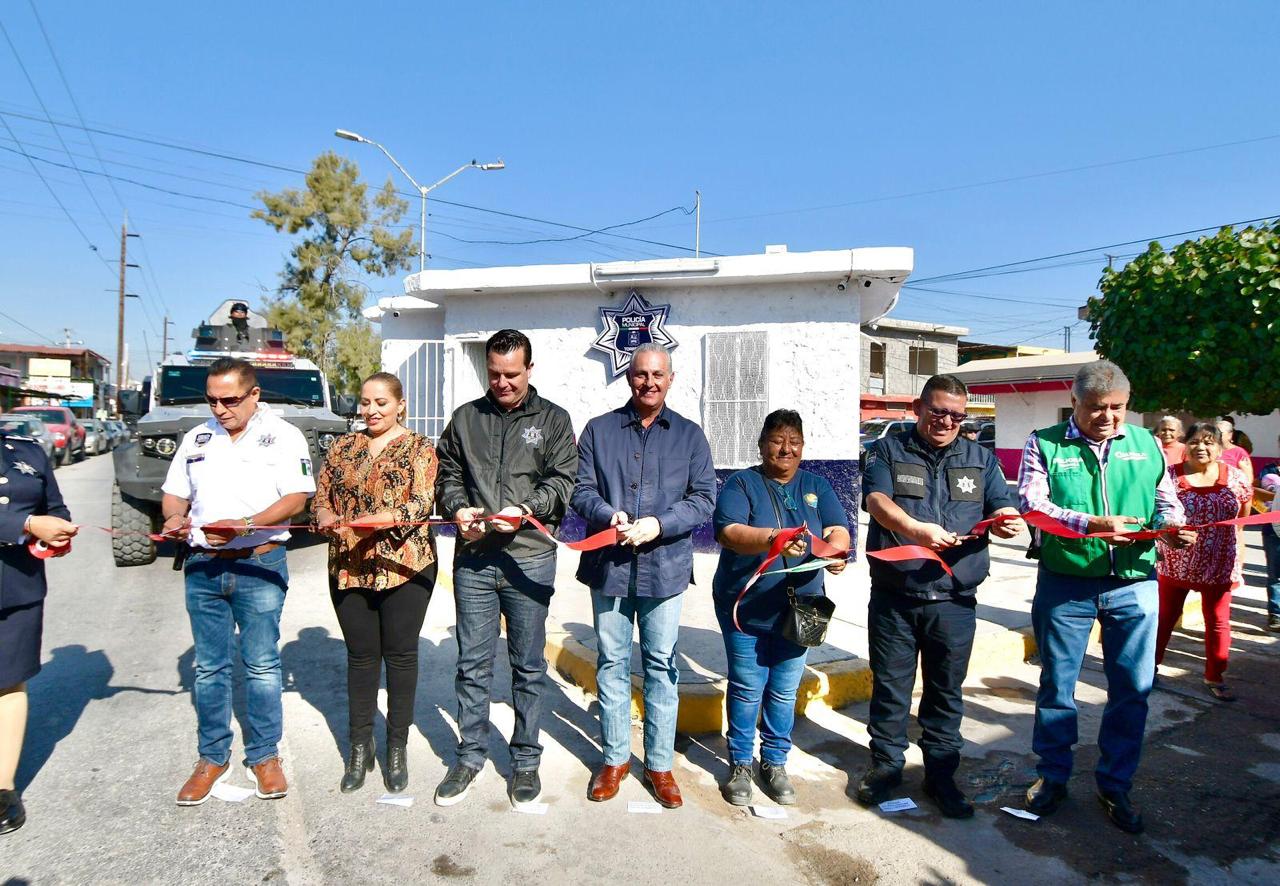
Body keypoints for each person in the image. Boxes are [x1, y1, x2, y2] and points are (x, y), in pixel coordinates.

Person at [1018, 360, 1194, 834]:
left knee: (1131, 692)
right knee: (1058, 687)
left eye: (1117, 408)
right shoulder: (1045, 443)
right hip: (1066, 581)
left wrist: (1172, 527)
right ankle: (1052, 777)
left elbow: (1165, 496)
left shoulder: (1147, 443)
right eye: (1096, 408)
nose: (1108, 418)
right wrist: (1091, 525)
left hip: (1134, 583)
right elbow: (1033, 506)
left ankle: (1115, 783)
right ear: (1074, 402)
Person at [857, 375, 1024, 818]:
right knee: (891, 688)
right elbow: (876, 500)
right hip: (896, 595)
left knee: (946, 692)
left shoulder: (980, 458)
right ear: (917, 407)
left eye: (956, 414)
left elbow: (999, 503)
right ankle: (887, 768)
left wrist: (1006, 517)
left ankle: (942, 775)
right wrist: (917, 530)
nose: (947, 421)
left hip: (954, 599)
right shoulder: (885, 451)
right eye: (938, 411)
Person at [161, 357, 315, 805]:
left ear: (254, 395)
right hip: (203, 566)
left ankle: (264, 756)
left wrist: (245, 525)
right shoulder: (197, 435)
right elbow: (175, 491)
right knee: (209, 669)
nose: (220, 408)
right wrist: (174, 516)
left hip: (258, 565)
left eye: (229, 400)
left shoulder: (284, 436)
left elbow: (298, 498)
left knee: (262, 665)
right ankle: (212, 757)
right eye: (212, 400)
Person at [433, 329, 577, 807]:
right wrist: (457, 507)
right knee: (472, 664)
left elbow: (563, 480)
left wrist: (526, 507)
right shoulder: (465, 418)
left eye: (512, 374)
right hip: (474, 560)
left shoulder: (554, 420)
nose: (502, 383)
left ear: (529, 370)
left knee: (528, 665)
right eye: (494, 374)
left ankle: (526, 762)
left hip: (529, 558)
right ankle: (470, 756)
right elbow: (447, 471)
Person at [571, 344, 716, 808]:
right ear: (628, 377)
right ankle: (615, 759)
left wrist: (661, 523)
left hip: (666, 571)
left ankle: (659, 764)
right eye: (639, 374)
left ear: (671, 379)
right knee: (611, 663)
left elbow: (705, 498)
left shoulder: (691, 437)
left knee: (661, 665)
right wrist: (606, 514)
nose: (648, 382)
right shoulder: (599, 430)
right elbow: (581, 489)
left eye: (657, 374)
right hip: (608, 567)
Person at [712, 410, 850, 807]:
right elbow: (730, 532)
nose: (785, 449)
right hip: (747, 606)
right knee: (747, 685)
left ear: (803, 447)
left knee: (785, 688)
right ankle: (739, 762)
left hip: (802, 609)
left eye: (794, 442)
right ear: (761, 445)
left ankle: (774, 761)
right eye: (777, 440)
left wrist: (836, 548)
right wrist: (774, 537)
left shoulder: (817, 485)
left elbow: (837, 528)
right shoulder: (742, 483)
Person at [314, 372, 438, 793]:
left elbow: (423, 500)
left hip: (404, 566)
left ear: (400, 405)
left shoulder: (420, 448)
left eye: (381, 403)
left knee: (401, 657)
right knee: (361, 658)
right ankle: (358, 746)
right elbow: (323, 495)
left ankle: (396, 748)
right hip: (350, 566)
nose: (371, 411)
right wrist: (327, 516)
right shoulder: (343, 447)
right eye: (366, 403)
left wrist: (383, 521)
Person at [0, 427, 77, 835]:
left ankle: (3, 787)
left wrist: (57, 533)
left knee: (9, 683)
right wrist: (28, 523)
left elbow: (55, 506)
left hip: (16, 585)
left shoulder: (25, 450)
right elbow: (31, 517)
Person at [1153, 423, 1251, 701]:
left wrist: (1239, 562)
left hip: (1220, 563)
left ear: (1220, 447)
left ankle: (1215, 675)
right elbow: (1156, 512)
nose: (1201, 447)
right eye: (1195, 441)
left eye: (1209, 442)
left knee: (1218, 622)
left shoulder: (1235, 478)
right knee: (1163, 619)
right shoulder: (1169, 477)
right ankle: (1148, 669)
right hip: (1175, 563)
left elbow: (1241, 521)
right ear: (1186, 446)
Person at [1256, 437, 1280, 633]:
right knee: (1275, 574)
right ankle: (1276, 614)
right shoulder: (1269, 470)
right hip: (1274, 528)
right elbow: (1259, 493)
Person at [1216, 418, 1254, 487]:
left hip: (1231, 492)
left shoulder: (1239, 453)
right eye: (1214, 432)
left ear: (1230, 435)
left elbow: (1249, 479)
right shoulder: (1210, 450)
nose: (1216, 435)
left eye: (1219, 433)